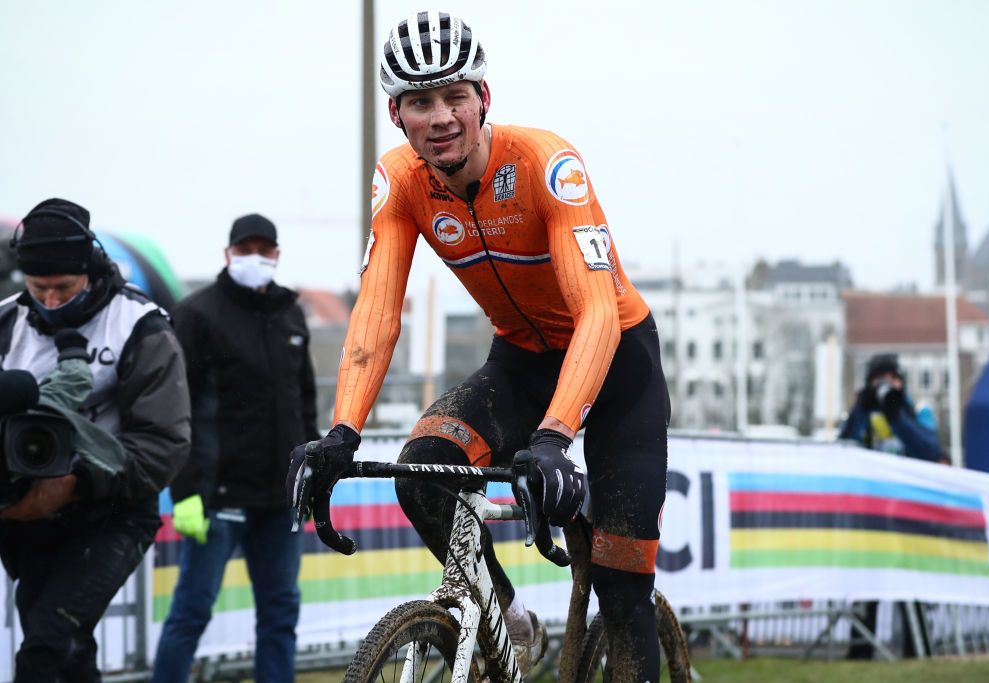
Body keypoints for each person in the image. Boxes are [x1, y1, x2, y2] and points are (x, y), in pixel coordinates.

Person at [287, 11, 670, 679]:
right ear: (397, 114)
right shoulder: (402, 181)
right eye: (419, 102)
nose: (439, 117)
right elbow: (377, 311)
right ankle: (507, 621)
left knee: (622, 587)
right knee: (424, 467)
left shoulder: (548, 163)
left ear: (483, 99)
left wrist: (554, 436)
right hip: (521, 358)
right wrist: (342, 429)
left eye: (454, 96)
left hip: (616, 364)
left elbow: (597, 313)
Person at [0, 198, 190, 682]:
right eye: (38, 287)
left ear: (89, 267)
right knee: (70, 652)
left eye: (64, 287)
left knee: (47, 645)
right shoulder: (7, 322)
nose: (51, 300)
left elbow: (163, 442)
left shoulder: (139, 325)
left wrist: (75, 480)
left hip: (113, 512)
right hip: (26, 518)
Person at [153, 214, 319, 683]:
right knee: (191, 612)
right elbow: (175, 406)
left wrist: (308, 478)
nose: (255, 258)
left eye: (264, 250)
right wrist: (185, 490)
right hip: (216, 496)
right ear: (227, 255)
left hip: (278, 498)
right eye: (245, 250)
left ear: (277, 256)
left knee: (280, 614)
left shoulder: (291, 313)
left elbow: (304, 403)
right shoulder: (197, 314)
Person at [839, 353, 943, 659]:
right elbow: (843, 448)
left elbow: (929, 449)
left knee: (912, 589)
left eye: (892, 379)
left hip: (910, 516)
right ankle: (860, 652)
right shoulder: (862, 412)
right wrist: (862, 408)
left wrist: (897, 414)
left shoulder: (917, 412)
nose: (886, 385)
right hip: (870, 517)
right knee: (865, 590)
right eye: (879, 379)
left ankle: (918, 650)